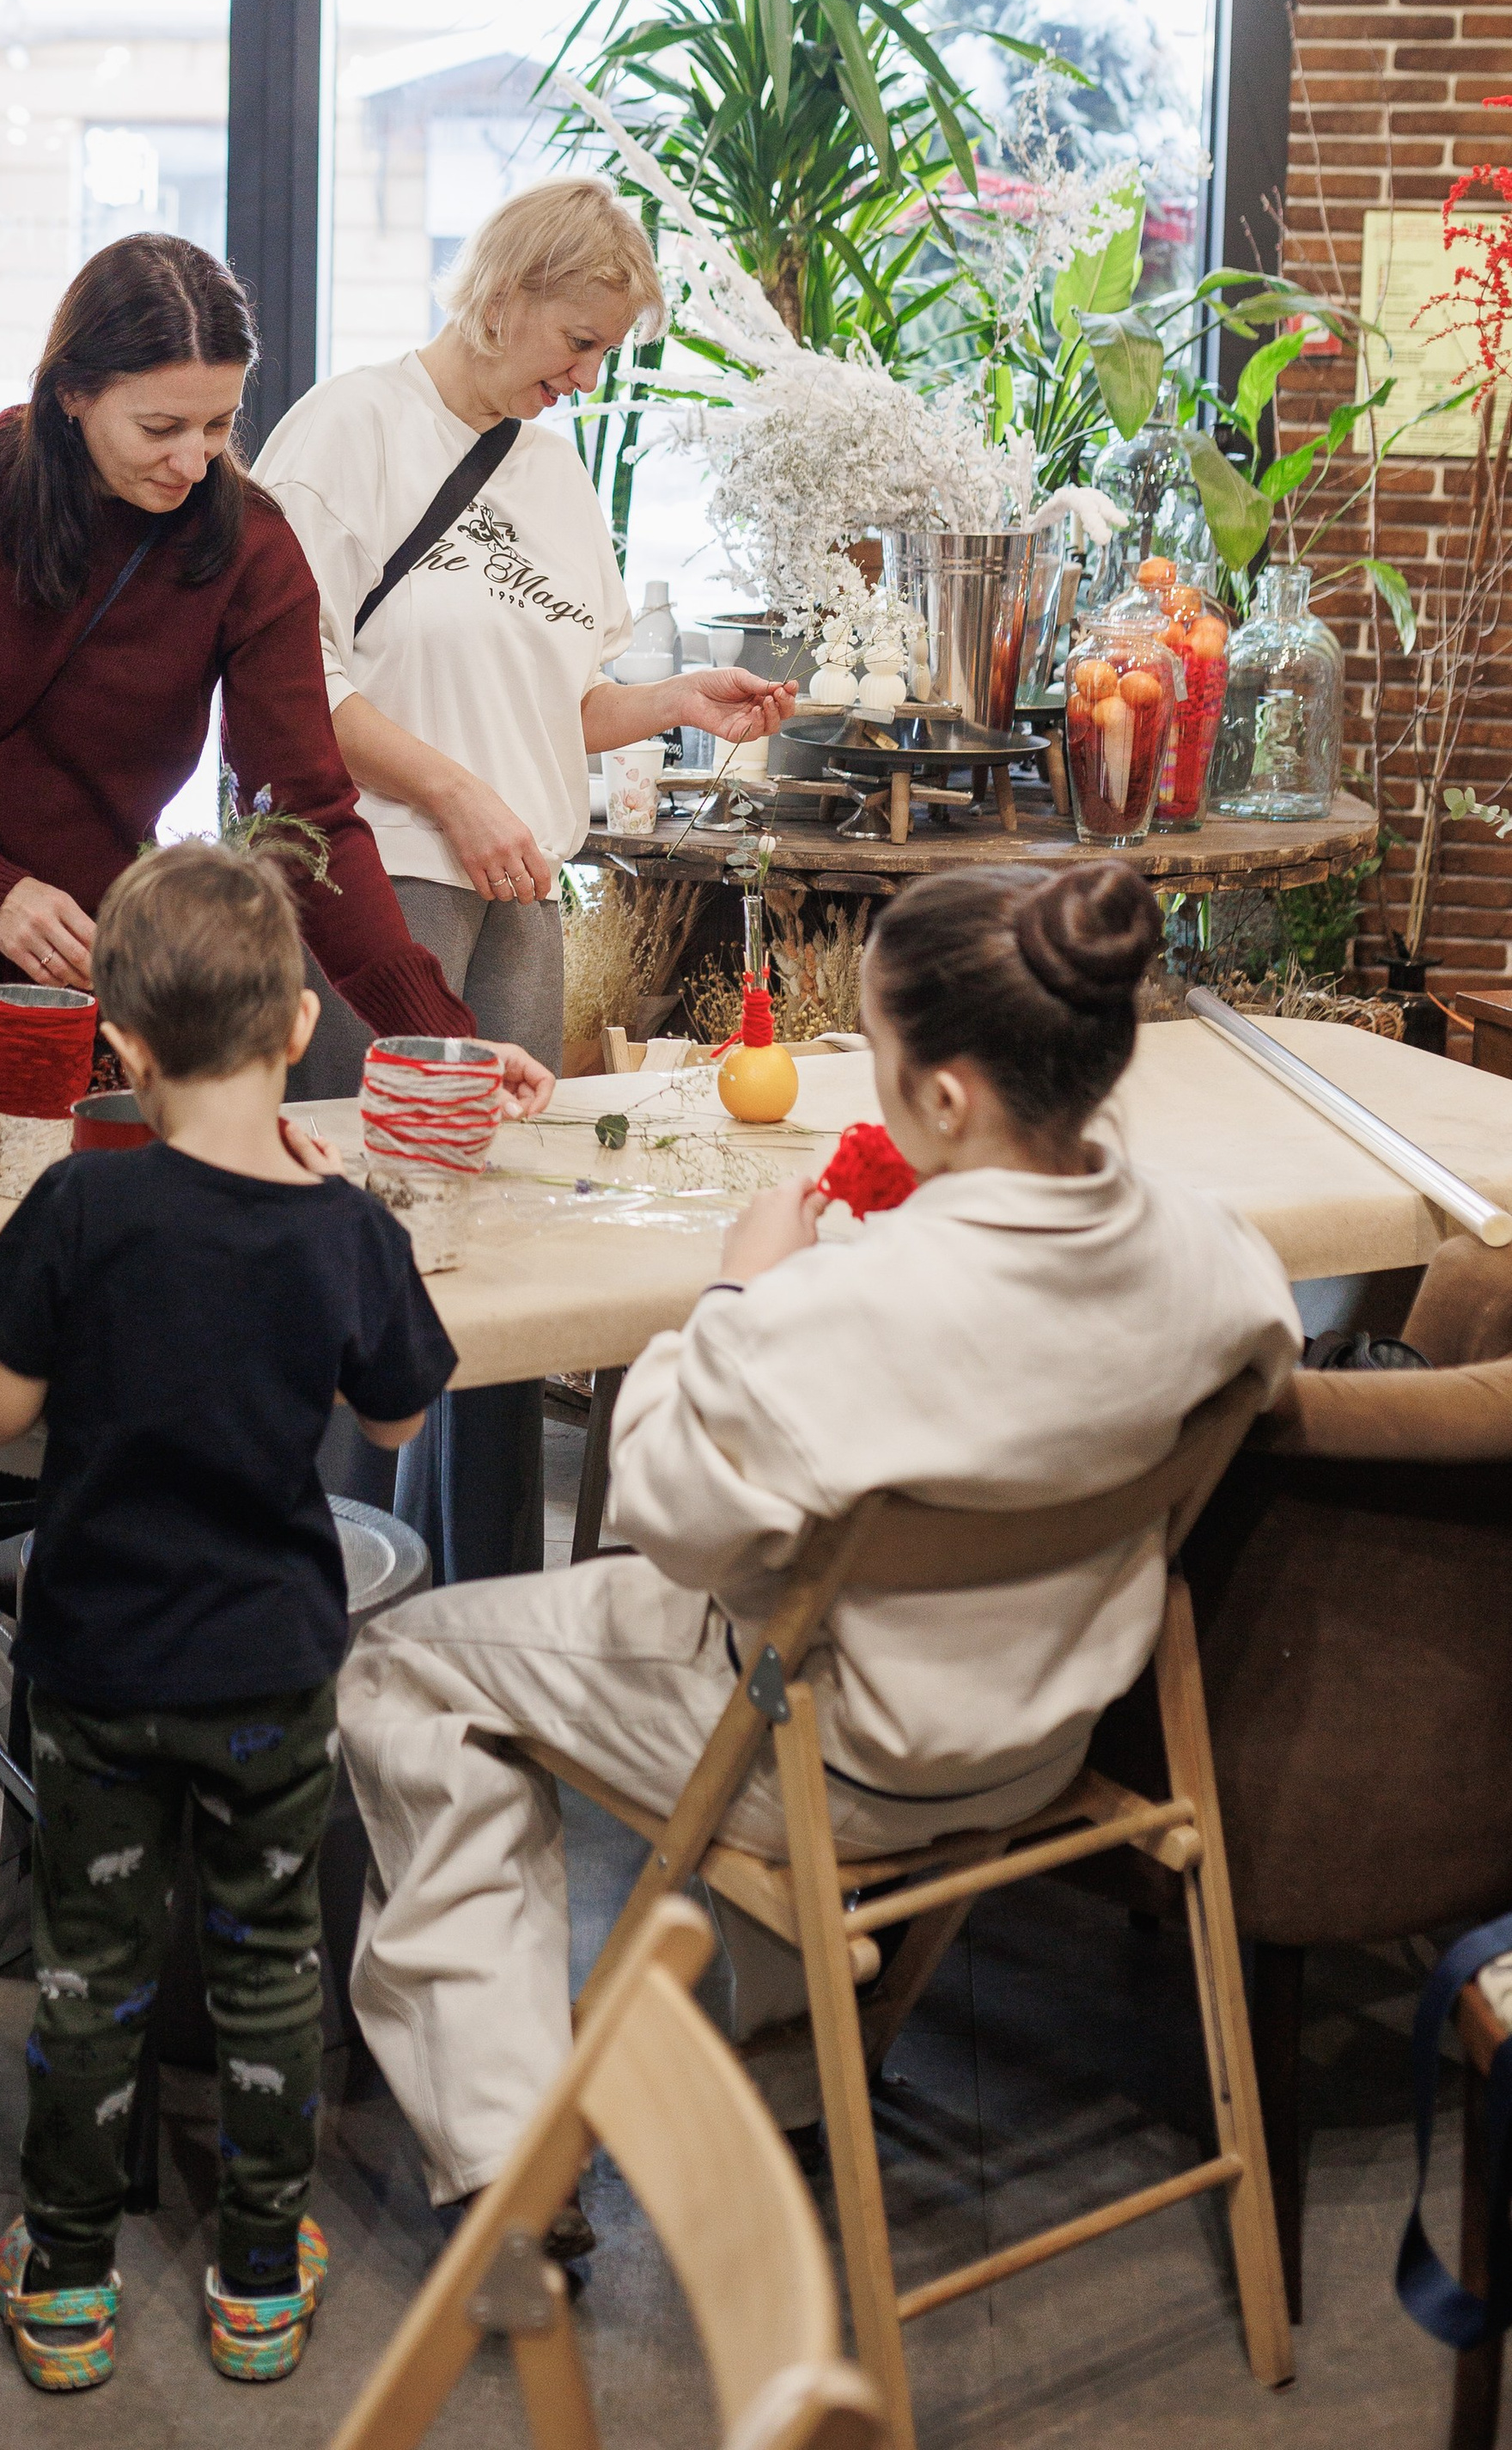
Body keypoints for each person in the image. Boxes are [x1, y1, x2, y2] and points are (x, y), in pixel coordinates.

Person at [337, 858, 1303, 2219]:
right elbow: (1261, 1351)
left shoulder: (847, 1308)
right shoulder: (1209, 1254)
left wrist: (741, 1285)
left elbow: (661, 1509)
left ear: (948, 1100)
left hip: (848, 1758)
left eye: (883, 1058)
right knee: (775, 1588)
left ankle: (507, 2160)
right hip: (1047, 1737)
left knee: (408, 1665)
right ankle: (787, 2072)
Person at [0, 232, 549, 1814]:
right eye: (159, 430)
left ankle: (60, 1750)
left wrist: (429, 1028)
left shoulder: (242, 547)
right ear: (69, 397)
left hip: (76, 1020)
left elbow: (306, 815)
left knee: (54, 1376)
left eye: (220, 426)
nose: (196, 463)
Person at [0, 841, 455, 2392]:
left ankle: (69, 2275)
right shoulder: (347, 1230)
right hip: (268, 1672)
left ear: (119, 1042)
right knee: (263, 1967)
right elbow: (390, 1427)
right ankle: (255, 2278)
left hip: (102, 1665)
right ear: (303, 1027)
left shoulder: (81, 1218)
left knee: (92, 1973)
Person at [254, 175, 796, 1585]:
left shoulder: (553, 471)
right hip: (381, 882)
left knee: (503, 1242)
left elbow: (559, 704)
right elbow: (292, 689)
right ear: (498, 296)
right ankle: (319, 1587)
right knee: (365, 1245)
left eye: (607, 348)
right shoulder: (350, 430)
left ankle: (475, 1589)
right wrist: (451, 789)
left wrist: (678, 696)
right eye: (576, 336)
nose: (585, 373)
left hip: (517, 898)